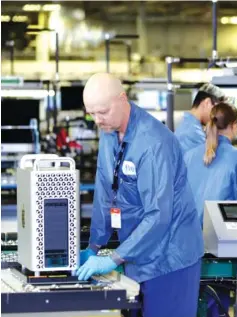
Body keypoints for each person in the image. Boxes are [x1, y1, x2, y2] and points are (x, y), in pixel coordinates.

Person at [76, 73, 204, 317]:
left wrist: (115, 257)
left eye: (102, 112)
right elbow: (105, 191)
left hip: (169, 258)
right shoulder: (108, 134)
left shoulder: (154, 143)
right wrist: (94, 245)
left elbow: (159, 215)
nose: (97, 120)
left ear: (122, 99)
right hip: (135, 254)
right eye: (91, 114)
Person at [184, 102, 237, 317]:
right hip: (222, 248)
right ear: (234, 126)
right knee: (217, 301)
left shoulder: (188, 156)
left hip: (188, 245)